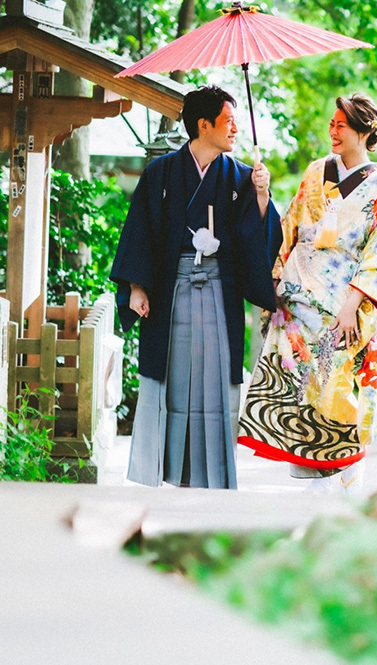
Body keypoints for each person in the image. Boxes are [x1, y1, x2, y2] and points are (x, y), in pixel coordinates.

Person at [110, 85, 281, 489]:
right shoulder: (161, 173)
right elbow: (140, 231)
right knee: (172, 376)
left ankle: (212, 474)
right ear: (204, 125)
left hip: (220, 291)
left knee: (217, 379)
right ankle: (164, 469)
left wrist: (261, 196)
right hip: (172, 289)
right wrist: (136, 286)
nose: (235, 129)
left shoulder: (241, 177)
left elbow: (257, 238)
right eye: (228, 121)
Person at [237, 93, 377, 495]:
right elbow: (288, 226)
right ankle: (313, 483)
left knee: (339, 391)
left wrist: (352, 307)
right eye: (331, 123)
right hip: (300, 302)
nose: (332, 130)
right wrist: (263, 198)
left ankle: (347, 478)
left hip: (343, 307)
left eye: (340, 124)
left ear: (363, 131)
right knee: (302, 393)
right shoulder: (316, 172)